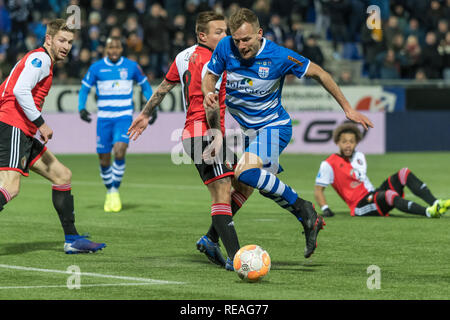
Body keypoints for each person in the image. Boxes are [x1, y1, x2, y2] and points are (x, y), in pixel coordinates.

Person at [202, 8, 373, 259]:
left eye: (246, 39)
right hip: (250, 132)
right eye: (237, 40)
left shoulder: (279, 56)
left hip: (274, 127)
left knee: (245, 173)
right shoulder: (225, 47)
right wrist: (209, 92)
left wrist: (348, 108)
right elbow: (210, 76)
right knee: (244, 186)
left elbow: (320, 73)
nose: (241, 46)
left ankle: (304, 208)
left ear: (259, 34)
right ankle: (212, 238)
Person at [128, 11, 253, 271]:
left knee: (244, 183)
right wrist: (216, 134)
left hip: (199, 133)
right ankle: (236, 259)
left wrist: (145, 113)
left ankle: (211, 239)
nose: (225, 36)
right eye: (219, 32)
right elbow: (211, 105)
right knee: (221, 193)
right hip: (204, 133)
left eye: (225, 31)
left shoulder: (182, 56)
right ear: (202, 35)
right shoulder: (213, 62)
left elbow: (163, 88)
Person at [0, 19, 106, 254]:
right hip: (12, 125)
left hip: (21, 129)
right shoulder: (41, 59)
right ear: (48, 39)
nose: (66, 46)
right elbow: (19, 90)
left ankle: (72, 239)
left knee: (62, 175)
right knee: (10, 187)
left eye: (69, 42)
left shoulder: (42, 60)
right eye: (61, 40)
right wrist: (42, 124)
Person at [78, 36, 153, 213]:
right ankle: (110, 190)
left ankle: (113, 191)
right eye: (110, 48)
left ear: (121, 49)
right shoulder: (96, 67)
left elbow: (145, 86)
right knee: (104, 159)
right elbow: (84, 88)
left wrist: (150, 107)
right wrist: (81, 107)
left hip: (124, 117)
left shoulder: (132, 66)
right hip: (104, 119)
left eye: (117, 47)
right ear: (106, 49)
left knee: (119, 151)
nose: (113, 51)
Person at [314, 123, 449, 218]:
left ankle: (436, 203)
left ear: (356, 143)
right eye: (344, 141)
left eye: (351, 141)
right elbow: (318, 190)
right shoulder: (328, 164)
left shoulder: (359, 156)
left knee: (404, 173)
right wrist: (325, 209)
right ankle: (428, 212)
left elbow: (358, 175)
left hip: (373, 194)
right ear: (337, 142)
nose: (348, 144)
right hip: (359, 206)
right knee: (388, 195)